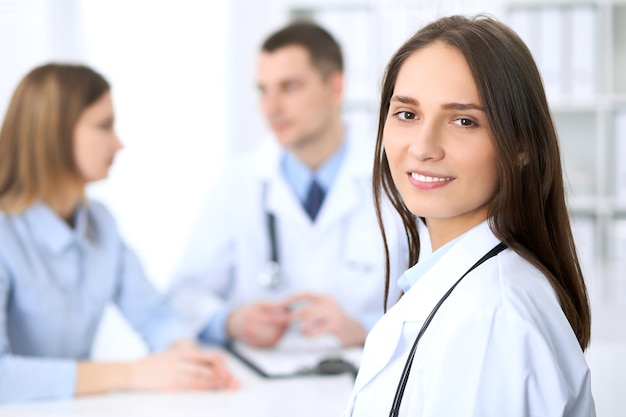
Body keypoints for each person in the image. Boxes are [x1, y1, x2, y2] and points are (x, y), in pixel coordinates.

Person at [342, 15, 595, 417]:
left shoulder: (489, 321)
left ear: (521, 146)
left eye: (464, 121)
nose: (424, 147)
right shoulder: (468, 288)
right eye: (407, 114)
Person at [0, 63, 238, 403]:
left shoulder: (101, 224)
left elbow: (153, 314)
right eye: (104, 126)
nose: (118, 143)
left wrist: (185, 356)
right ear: (53, 134)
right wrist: (132, 373)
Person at [167, 21, 409, 349]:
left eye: (290, 87)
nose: (271, 108)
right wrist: (230, 321)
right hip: (261, 386)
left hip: (364, 379)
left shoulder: (396, 178)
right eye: (263, 90)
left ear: (335, 88)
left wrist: (363, 328)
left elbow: (434, 301)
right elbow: (184, 296)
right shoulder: (240, 181)